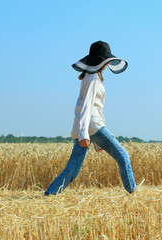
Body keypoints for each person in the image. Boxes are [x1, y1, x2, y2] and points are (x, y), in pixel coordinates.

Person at [44, 41, 136, 195]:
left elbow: (89, 108)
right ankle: (133, 192)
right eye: (106, 60)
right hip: (92, 125)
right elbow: (87, 106)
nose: (107, 64)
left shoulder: (89, 77)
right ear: (100, 61)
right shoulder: (93, 78)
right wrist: (83, 134)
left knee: (73, 168)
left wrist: (90, 138)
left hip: (88, 127)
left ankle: (50, 194)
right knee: (123, 156)